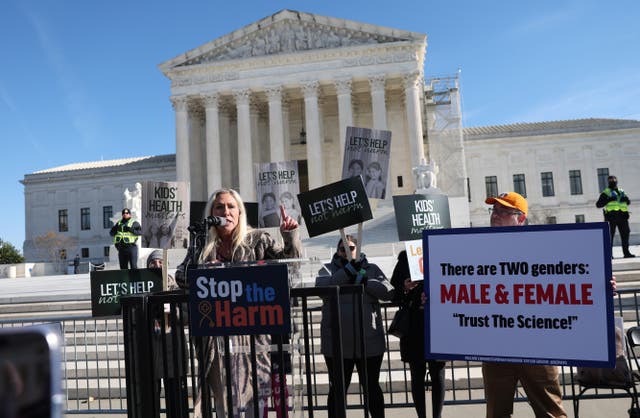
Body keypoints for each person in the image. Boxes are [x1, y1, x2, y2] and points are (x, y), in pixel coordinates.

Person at [175, 188, 301, 418]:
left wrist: (289, 237)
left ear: (240, 212)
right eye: (219, 207)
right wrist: (199, 258)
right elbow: (182, 277)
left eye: (231, 206)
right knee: (224, 405)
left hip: (252, 340)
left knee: (253, 405)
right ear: (211, 212)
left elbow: (289, 271)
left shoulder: (258, 240)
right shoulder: (203, 245)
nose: (226, 211)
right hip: (215, 341)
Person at [482, 192, 567, 418]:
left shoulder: (543, 248)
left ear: (520, 219)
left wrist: (602, 288)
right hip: (496, 346)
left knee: (550, 412)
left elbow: (570, 283)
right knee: (496, 414)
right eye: (494, 210)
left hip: (537, 345)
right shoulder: (477, 251)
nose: (495, 215)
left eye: (503, 211)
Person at [316, 235, 394, 418]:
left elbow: (389, 292)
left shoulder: (372, 269)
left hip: (369, 343)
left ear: (357, 249)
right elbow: (322, 289)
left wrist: (366, 282)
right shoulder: (326, 270)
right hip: (337, 345)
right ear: (337, 251)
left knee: (372, 388)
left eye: (351, 248)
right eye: (342, 248)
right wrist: (348, 272)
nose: (347, 252)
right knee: (337, 390)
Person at [390, 250, 446, 418]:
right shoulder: (405, 257)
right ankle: (421, 416)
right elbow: (395, 292)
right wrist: (406, 288)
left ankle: (437, 416)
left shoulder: (443, 253)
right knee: (417, 374)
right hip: (414, 326)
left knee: (438, 373)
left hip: (438, 323)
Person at [596, 175, 635, 258]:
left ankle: (626, 253)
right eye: (611, 180)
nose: (613, 181)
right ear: (608, 182)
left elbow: (628, 202)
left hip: (623, 217)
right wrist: (608, 200)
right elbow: (598, 205)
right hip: (611, 217)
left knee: (625, 235)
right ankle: (609, 255)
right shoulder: (606, 192)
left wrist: (626, 200)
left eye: (614, 180)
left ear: (617, 181)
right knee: (610, 236)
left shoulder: (621, 191)